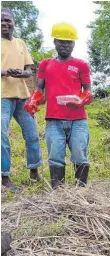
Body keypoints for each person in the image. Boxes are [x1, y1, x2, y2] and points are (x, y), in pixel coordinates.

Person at [24, 23, 92, 189]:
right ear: (55, 42)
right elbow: (39, 89)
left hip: (78, 120)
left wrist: (81, 99)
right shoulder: (46, 65)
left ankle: (80, 191)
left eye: (68, 42)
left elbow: (88, 92)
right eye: (61, 41)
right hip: (53, 120)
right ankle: (58, 192)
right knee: (55, 156)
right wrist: (33, 100)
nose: (65, 45)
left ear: (74, 44)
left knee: (79, 155)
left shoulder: (81, 65)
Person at [1, 8, 43, 192]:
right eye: (1, 21)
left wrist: (21, 73)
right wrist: (3, 72)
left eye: (7, 20)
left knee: (32, 134)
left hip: (22, 96)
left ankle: (34, 171)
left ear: (14, 23)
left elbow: (29, 70)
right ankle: (5, 177)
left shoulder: (20, 43)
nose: (4, 24)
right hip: (2, 96)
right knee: (2, 137)